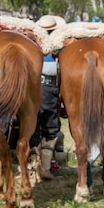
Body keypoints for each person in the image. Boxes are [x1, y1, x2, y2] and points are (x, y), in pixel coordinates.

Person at [31, 15, 65, 180]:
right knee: (50, 127)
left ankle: (33, 166)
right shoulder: (58, 47)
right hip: (50, 88)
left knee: (33, 125)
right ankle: (44, 167)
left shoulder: (33, 45)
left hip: (33, 86)